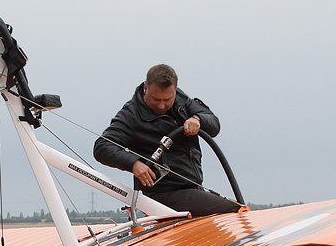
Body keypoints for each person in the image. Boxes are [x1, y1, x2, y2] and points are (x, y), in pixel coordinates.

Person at [93, 65, 241, 217]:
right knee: (235, 212)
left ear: (175, 92)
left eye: (167, 99)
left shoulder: (183, 102)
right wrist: (134, 163)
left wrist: (198, 119)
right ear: (146, 88)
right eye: (156, 99)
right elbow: (102, 147)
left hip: (192, 188)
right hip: (161, 195)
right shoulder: (130, 115)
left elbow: (214, 124)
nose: (162, 105)